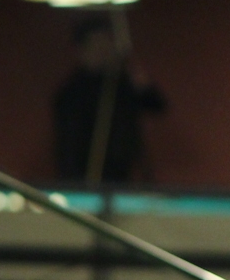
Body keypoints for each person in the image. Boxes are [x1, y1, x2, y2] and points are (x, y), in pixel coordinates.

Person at [53, 16, 166, 184]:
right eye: (96, 44)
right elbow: (68, 142)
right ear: (82, 49)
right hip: (84, 174)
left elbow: (158, 106)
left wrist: (142, 84)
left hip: (123, 172)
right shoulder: (71, 91)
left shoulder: (119, 83)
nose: (103, 49)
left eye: (106, 43)